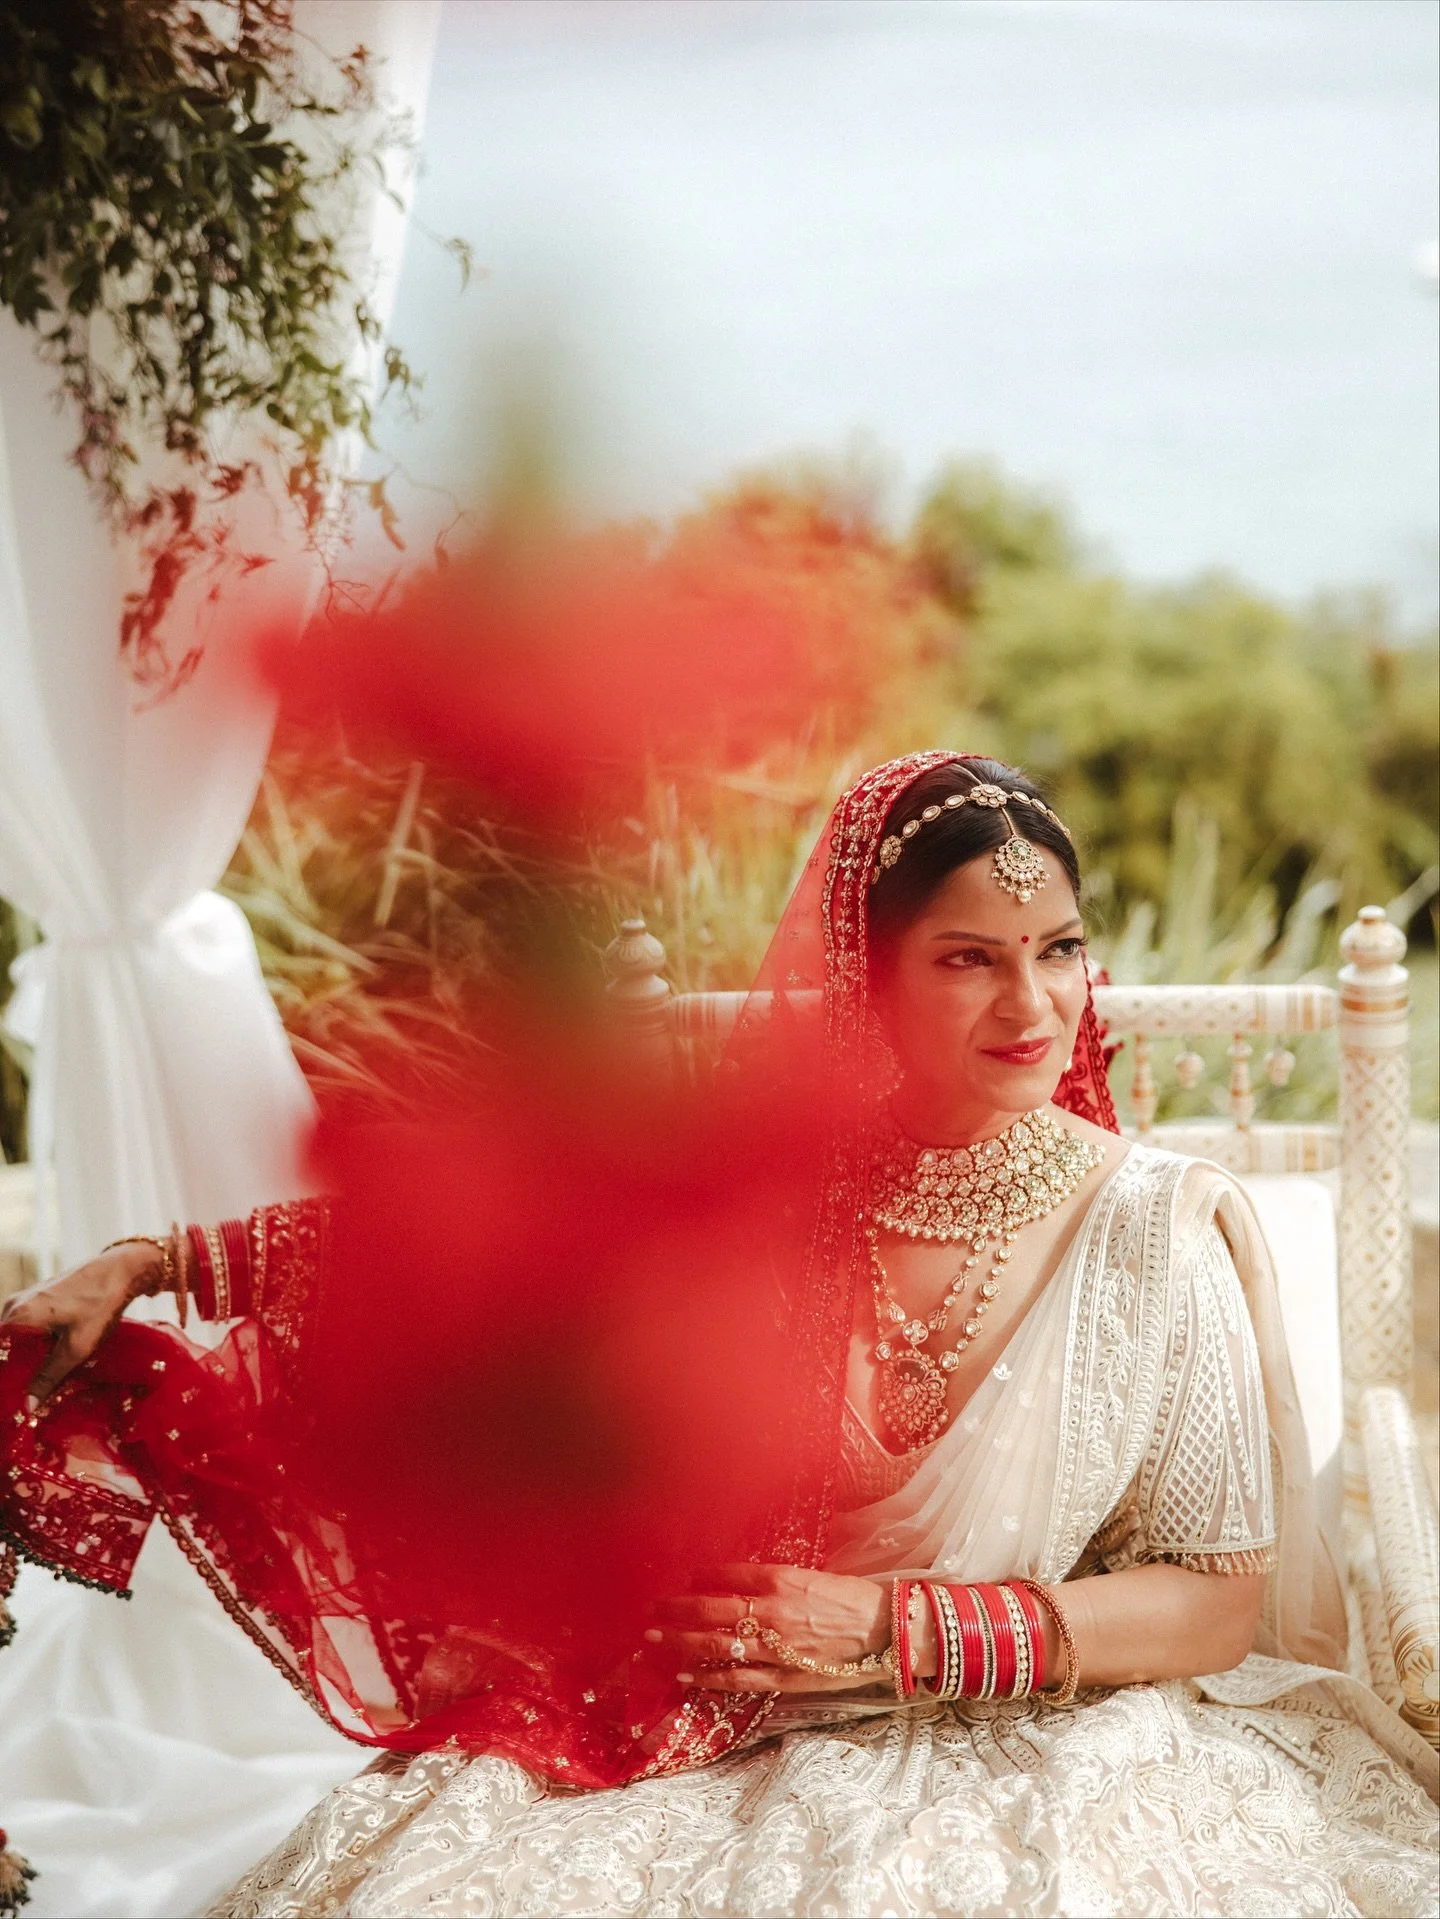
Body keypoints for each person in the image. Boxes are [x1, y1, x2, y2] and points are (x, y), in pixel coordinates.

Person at [3, 752, 1436, 1919]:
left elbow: (1213, 1602)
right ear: (866, 980)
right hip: (712, 1724)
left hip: (1059, 1728)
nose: (1037, 1002)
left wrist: (900, 1629)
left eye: (1061, 949)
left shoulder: (1156, 1227)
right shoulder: (756, 1195)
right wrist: (158, 1260)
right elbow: (477, 1257)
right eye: (971, 959)